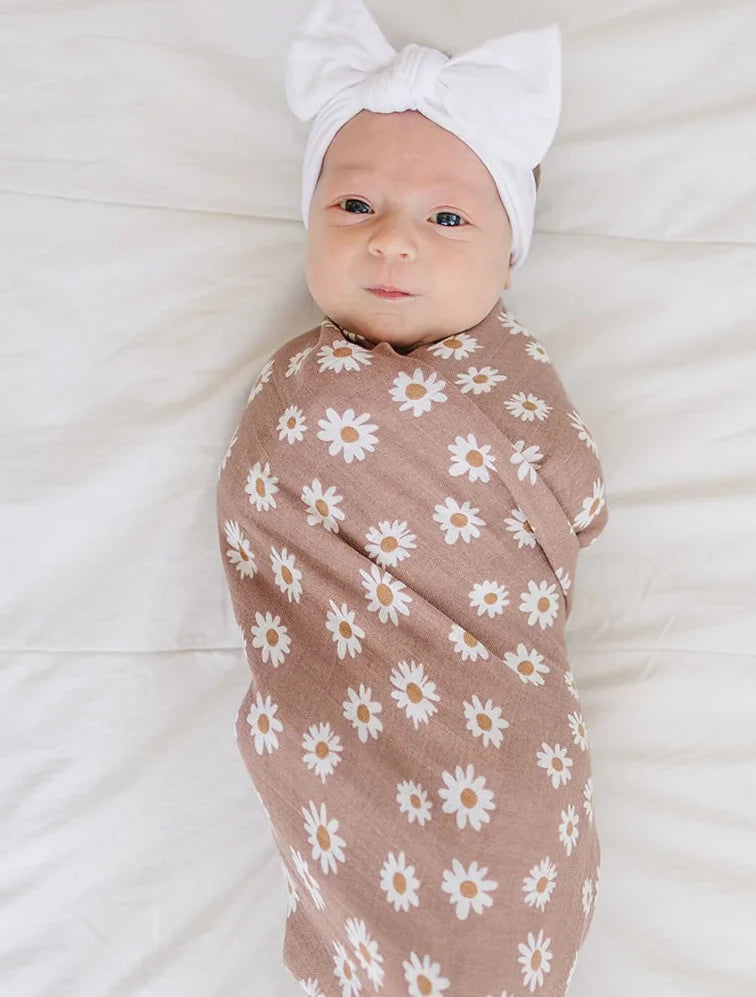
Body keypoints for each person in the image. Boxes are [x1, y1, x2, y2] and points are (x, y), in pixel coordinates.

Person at [215, 1, 609, 993]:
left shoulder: (517, 384)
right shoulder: (298, 394)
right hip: (344, 752)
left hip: (509, 754)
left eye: (446, 218)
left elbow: (574, 498)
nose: (392, 243)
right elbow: (271, 510)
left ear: (508, 251)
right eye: (353, 207)